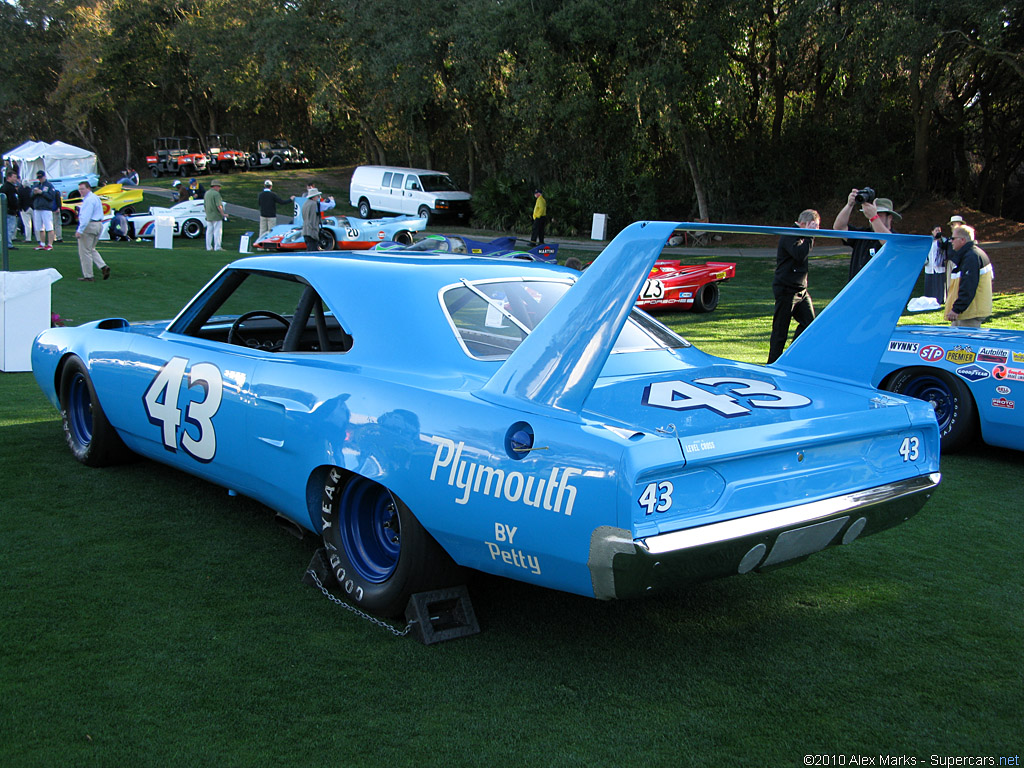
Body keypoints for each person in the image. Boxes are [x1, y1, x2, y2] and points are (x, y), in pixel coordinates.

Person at [768, 209, 820, 364]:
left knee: (810, 325)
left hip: (801, 290)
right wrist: (810, 235)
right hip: (786, 289)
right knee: (780, 331)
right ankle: (772, 363)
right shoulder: (791, 234)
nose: (817, 231)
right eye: (815, 226)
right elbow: (799, 254)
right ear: (804, 223)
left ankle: (791, 356)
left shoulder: (802, 236)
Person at [833, 188, 900, 282]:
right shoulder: (863, 234)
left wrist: (873, 217)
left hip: (880, 292)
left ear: (890, 218)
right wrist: (849, 205)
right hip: (857, 291)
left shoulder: (896, 238)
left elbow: (889, 243)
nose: (875, 217)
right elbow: (839, 228)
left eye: (879, 215)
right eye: (873, 214)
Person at [945, 224, 993, 328]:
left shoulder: (971, 257)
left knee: (961, 343)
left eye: (953, 238)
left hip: (969, 314)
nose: (951, 241)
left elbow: (968, 285)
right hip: (967, 312)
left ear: (962, 240)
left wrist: (957, 309)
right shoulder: (971, 254)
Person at [74, 181, 110, 282]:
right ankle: (103, 266)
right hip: (98, 224)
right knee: (91, 249)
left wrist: (80, 230)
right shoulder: (95, 197)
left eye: (82, 189)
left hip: (90, 226)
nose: (80, 191)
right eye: (79, 189)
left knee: (84, 252)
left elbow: (85, 217)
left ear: (88, 188)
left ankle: (88, 276)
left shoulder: (89, 200)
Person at [30, 170, 57, 251]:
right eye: (39, 178)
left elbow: (51, 197)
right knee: (40, 227)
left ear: (44, 177)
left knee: (49, 227)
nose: (40, 179)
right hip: (37, 208)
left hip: (46, 208)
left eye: (41, 177)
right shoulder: (36, 185)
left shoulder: (49, 186)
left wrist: (42, 193)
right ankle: (42, 243)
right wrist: (34, 193)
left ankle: (50, 244)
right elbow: (30, 196)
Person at [203, 179, 227, 251]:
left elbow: (205, 205)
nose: (219, 188)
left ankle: (209, 247)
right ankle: (217, 247)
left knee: (209, 232)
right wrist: (223, 214)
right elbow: (219, 205)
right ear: (216, 186)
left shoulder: (207, 193)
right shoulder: (216, 194)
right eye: (219, 187)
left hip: (209, 215)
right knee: (217, 232)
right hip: (216, 216)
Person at [2, 170, 21, 249]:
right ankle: (8, 244)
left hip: (5, 210)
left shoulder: (3, 187)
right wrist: (16, 207)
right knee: (10, 229)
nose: (15, 179)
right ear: (9, 177)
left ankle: (5, 243)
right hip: (10, 211)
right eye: (14, 177)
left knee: (5, 228)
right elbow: (12, 200)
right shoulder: (10, 188)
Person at [17, 178, 33, 243]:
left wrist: (19, 208)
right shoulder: (31, 190)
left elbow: (19, 200)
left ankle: (28, 238)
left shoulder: (20, 191)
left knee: (27, 224)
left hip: (24, 208)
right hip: (32, 208)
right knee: (37, 224)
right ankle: (39, 238)